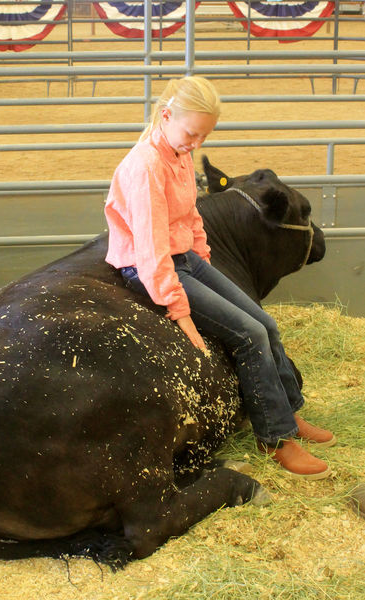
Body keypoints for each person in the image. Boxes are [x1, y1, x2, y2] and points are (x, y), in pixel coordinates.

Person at [104, 75, 336, 480]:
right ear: (167, 114)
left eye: (203, 137)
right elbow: (150, 248)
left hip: (187, 259)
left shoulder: (178, 154)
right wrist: (179, 308)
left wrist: (206, 263)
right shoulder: (144, 167)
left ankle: (289, 413)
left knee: (266, 322)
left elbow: (192, 214)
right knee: (250, 334)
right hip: (150, 268)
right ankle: (275, 437)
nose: (196, 144)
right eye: (192, 133)